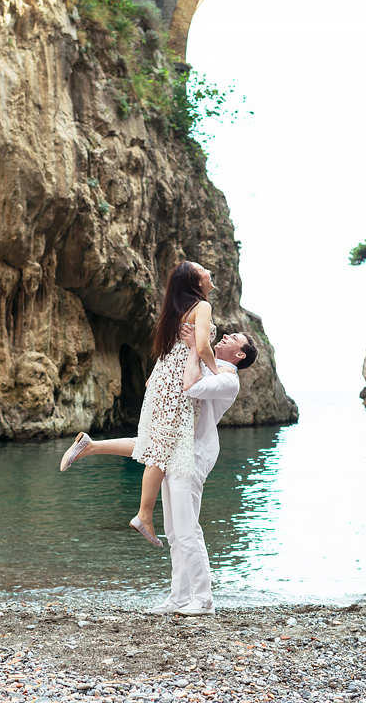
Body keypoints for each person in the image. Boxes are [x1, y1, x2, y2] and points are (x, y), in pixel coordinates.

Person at [61, 323, 259, 615]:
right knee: (174, 531)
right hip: (178, 449)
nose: (227, 336)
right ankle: (178, 597)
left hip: (193, 456)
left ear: (240, 355)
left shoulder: (228, 379)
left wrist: (194, 348)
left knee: (188, 528)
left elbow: (190, 388)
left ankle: (203, 600)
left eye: (234, 339)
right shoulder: (212, 366)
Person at [61, 261, 218, 547]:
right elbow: (204, 347)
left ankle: (91, 446)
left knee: (153, 444)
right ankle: (144, 515)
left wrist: (155, 380)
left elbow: (170, 353)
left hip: (161, 382)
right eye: (203, 270)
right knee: (161, 450)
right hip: (176, 386)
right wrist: (218, 377)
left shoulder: (175, 312)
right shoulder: (202, 307)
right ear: (195, 282)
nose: (209, 273)